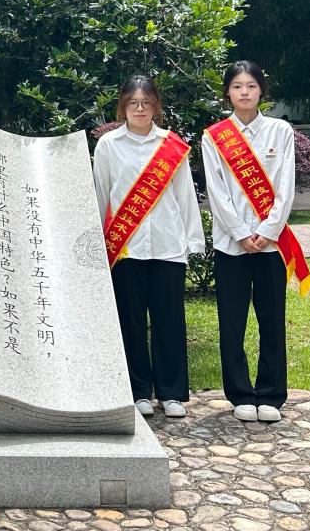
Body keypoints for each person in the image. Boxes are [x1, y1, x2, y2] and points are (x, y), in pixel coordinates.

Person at [202, 60, 310, 423]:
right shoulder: (214, 136)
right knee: (232, 323)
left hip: (271, 245)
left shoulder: (280, 131)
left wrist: (267, 231)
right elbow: (217, 192)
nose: (244, 92)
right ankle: (240, 395)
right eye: (237, 86)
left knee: (272, 320)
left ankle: (270, 395)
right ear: (227, 92)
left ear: (261, 90)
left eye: (251, 85)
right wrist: (239, 231)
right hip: (230, 245)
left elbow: (285, 187)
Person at [93, 75, 205, 419]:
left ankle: (171, 392)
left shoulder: (172, 145)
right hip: (126, 248)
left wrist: (193, 241)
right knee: (131, 321)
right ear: (122, 106)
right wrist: (97, 244)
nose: (139, 109)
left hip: (168, 245)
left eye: (146, 103)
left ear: (156, 106)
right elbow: (101, 194)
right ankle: (138, 391)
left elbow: (185, 196)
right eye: (132, 103)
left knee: (169, 320)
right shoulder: (108, 145)